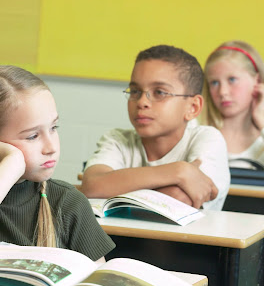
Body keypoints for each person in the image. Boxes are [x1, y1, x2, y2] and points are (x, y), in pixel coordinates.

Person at [0, 65, 115, 264]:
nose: (51, 147)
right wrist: (12, 163)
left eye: (53, 127)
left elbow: (97, 279)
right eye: (32, 136)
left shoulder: (68, 203)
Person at [81, 45, 230, 210]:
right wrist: (178, 171)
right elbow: (92, 186)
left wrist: (113, 186)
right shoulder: (118, 140)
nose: (142, 102)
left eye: (160, 92)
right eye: (135, 91)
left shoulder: (207, 139)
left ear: (193, 107)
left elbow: (178, 199)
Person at [201, 40, 264, 172]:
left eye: (232, 80)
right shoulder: (199, 132)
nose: (223, 92)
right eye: (214, 83)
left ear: (257, 81)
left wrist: (262, 118)